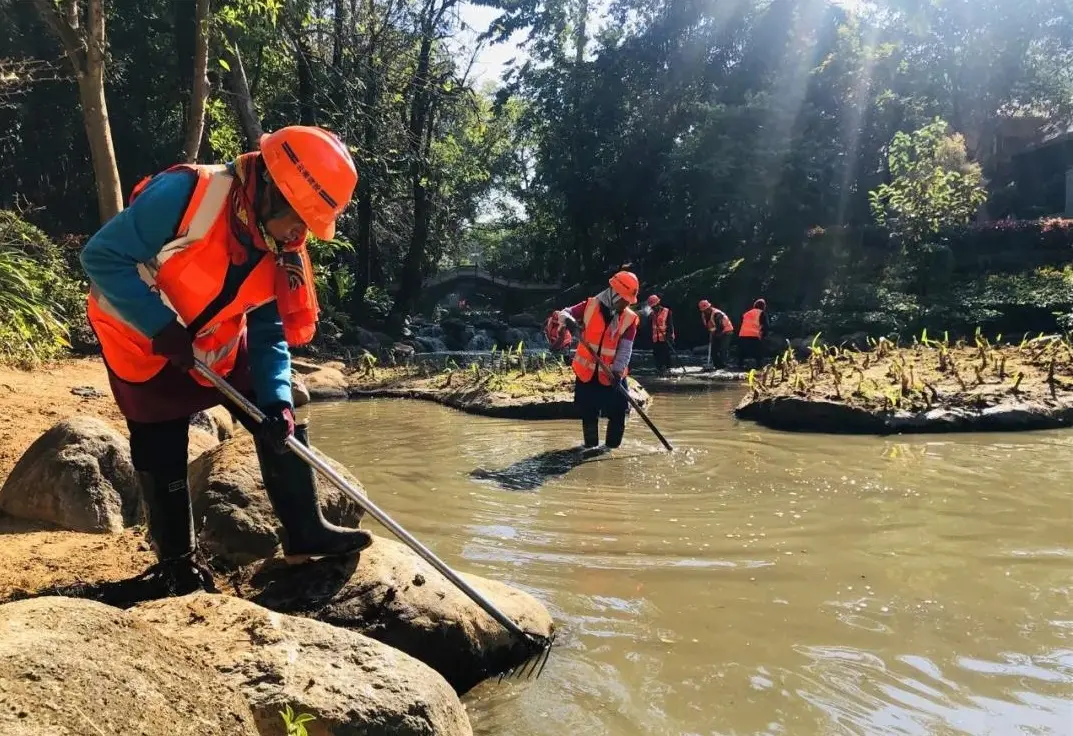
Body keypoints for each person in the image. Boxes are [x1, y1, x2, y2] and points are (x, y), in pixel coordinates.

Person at [80, 125, 371, 594]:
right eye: (300, 218)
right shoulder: (185, 195)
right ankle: (177, 564)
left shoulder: (282, 246)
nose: (303, 234)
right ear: (273, 192)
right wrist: (159, 325)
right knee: (160, 441)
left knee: (280, 410)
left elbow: (268, 330)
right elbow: (101, 257)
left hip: (213, 345)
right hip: (139, 338)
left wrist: (276, 403)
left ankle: (305, 531)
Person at [558, 271, 640, 450]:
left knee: (619, 411)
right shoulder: (590, 305)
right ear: (614, 294)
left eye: (628, 301)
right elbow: (563, 314)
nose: (626, 303)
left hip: (612, 373)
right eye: (624, 299)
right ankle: (590, 448)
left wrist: (618, 371)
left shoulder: (630, 318)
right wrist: (570, 321)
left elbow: (626, 348)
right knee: (589, 412)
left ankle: (611, 449)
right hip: (587, 373)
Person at [698, 300, 734, 368]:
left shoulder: (717, 314)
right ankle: (717, 365)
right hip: (716, 332)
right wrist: (712, 334)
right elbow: (708, 326)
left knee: (723, 349)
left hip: (726, 331)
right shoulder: (704, 315)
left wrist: (714, 335)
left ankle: (723, 365)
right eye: (704, 310)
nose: (705, 311)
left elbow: (720, 327)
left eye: (706, 309)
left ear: (710, 307)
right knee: (713, 350)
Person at [646, 294, 675, 373]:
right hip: (656, 339)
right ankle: (659, 370)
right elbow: (649, 327)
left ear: (658, 304)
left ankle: (669, 370)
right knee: (657, 356)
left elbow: (670, 325)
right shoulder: (652, 314)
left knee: (666, 355)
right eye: (652, 307)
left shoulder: (667, 311)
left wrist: (669, 337)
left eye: (654, 306)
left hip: (666, 338)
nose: (653, 308)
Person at [738, 298, 770, 368]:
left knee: (742, 351)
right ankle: (759, 366)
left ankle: (740, 364)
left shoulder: (746, 313)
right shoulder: (762, 313)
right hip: (754, 335)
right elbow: (765, 325)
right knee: (758, 351)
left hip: (743, 334)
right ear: (763, 306)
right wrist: (764, 334)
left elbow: (740, 323)